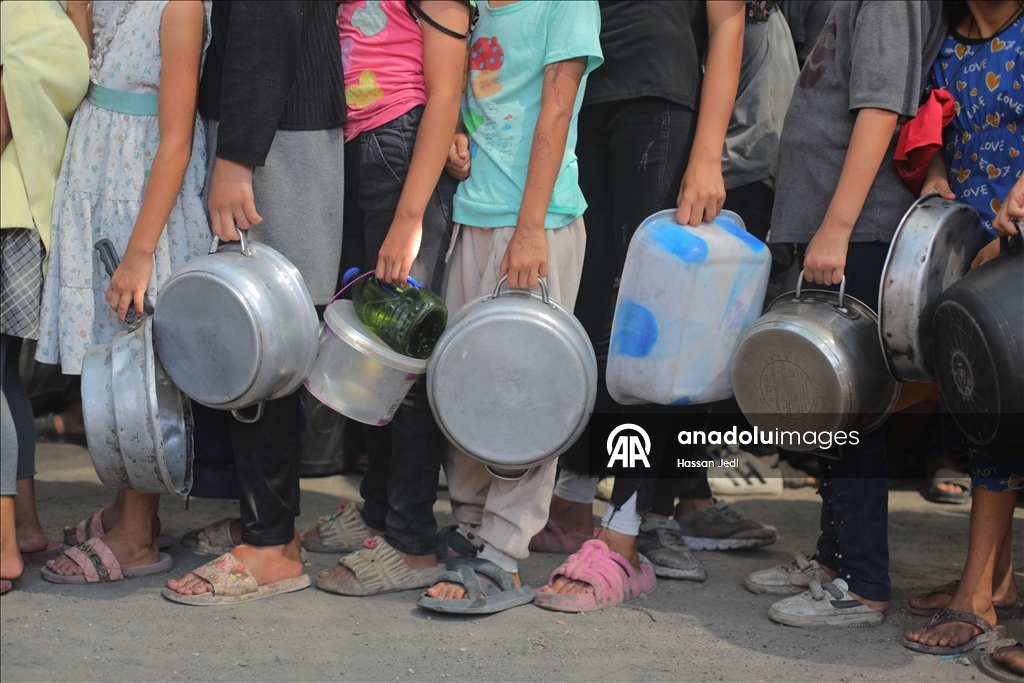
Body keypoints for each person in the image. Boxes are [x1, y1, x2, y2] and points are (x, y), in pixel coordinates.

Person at [532, 0, 754, 600]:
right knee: (590, 316)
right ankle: (577, 503)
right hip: (580, 93)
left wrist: (708, 153)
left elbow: (728, 19)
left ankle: (627, 532)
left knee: (650, 328)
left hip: (657, 95)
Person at [743, 0, 946, 627]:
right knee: (829, 408)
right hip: (834, 227)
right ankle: (834, 562)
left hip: (859, 229)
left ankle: (861, 584)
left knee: (852, 411)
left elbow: (882, 109)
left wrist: (836, 227)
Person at [416, 0, 603, 615]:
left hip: (535, 227)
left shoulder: (567, 5)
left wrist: (528, 229)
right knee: (465, 384)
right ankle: (470, 529)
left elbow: (557, 109)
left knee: (529, 395)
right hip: (472, 216)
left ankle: (502, 554)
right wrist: (459, 137)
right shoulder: (478, 6)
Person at [164, 0, 346, 604]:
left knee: (265, 339)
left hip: (274, 140)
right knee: (259, 334)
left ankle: (272, 545)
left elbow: (268, 21)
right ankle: (262, 523)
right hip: (273, 130)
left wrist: (237, 157)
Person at [299, 0, 472, 597]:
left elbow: (446, 93)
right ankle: (376, 513)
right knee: (367, 352)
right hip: (352, 149)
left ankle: (412, 541)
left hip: (399, 153)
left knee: (404, 358)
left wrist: (410, 217)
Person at [36, 0, 211, 585]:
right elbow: (85, 73)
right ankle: (123, 505)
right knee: (109, 368)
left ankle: (138, 533)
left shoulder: (179, 7)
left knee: (140, 369)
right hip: (99, 183)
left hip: (140, 200)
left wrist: (139, 254)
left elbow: (177, 140)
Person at [903, 0, 1023, 655]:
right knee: (981, 412)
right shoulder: (942, 41)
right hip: (966, 254)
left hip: (1017, 248)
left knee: (998, 415)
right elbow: (932, 137)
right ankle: (996, 580)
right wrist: (939, 181)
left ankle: (976, 598)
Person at [0, 0, 89, 595]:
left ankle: (3, 547)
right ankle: (25, 528)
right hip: (28, 214)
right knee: (7, 381)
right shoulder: (57, 15)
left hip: (5, 211)